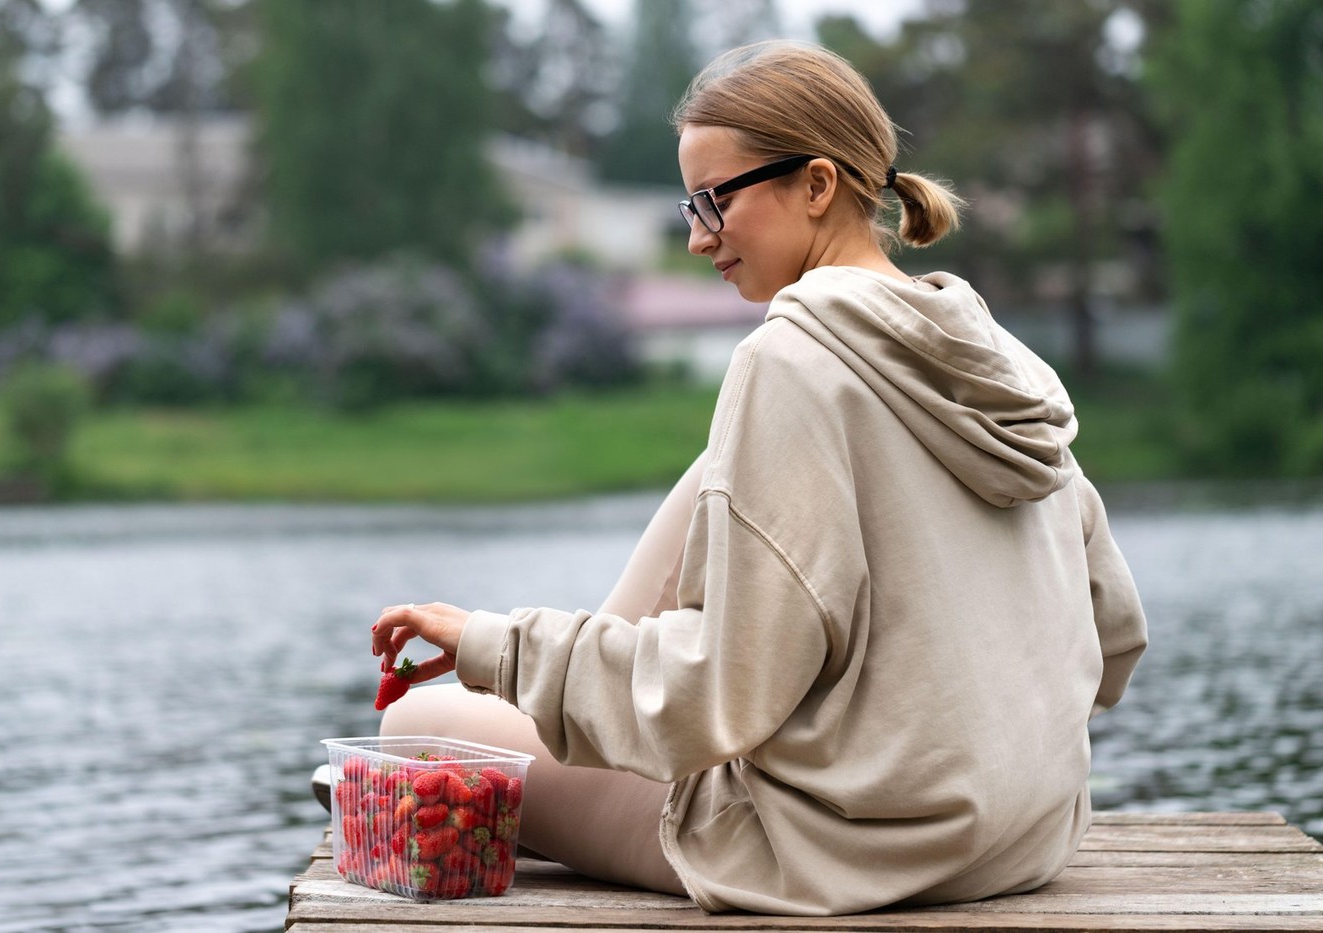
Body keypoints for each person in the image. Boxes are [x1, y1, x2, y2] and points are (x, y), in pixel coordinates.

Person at [371, 39, 1148, 916]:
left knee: (412, 730)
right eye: (687, 206)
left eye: (716, 201)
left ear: (816, 185)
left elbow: (717, 698)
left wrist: (494, 646)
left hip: (840, 847)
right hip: (1025, 835)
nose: (700, 236)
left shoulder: (791, 362)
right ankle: (596, 680)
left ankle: (577, 696)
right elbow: (1114, 641)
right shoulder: (1002, 363)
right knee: (717, 471)